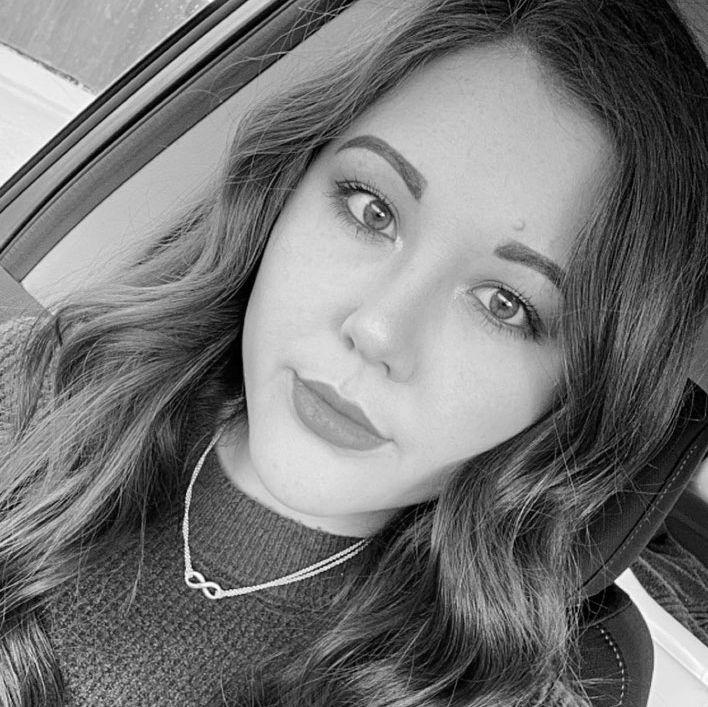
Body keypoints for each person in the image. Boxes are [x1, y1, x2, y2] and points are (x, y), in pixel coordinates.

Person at [0, 0, 706, 704]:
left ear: (578, 392)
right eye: (373, 208)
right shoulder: (35, 386)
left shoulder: (509, 688)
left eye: (504, 304)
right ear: (287, 186)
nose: (377, 331)